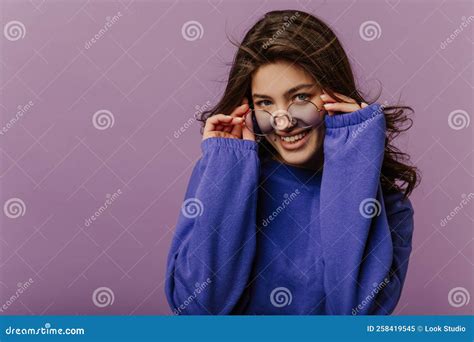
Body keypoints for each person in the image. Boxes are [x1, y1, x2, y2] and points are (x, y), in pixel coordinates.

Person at [165, 9, 419, 315]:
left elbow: (357, 315)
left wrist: (356, 158)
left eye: (299, 97)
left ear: (333, 94)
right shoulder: (225, 175)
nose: (282, 122)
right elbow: (197, 309)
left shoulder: (389, 207)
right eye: (265, 103)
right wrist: (225, 167)